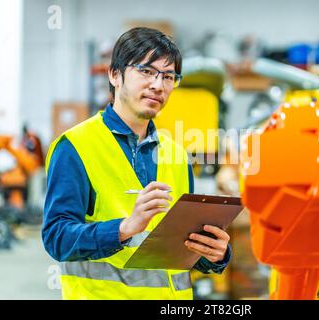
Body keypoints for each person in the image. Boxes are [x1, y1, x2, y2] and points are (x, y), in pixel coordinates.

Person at [42, 27, 232, 300]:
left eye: (168, 76)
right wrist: (123, 229)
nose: (158, 85)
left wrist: (215, 253)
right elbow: (57, 237)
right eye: (146, 71)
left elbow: (181, 246)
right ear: (115, 75)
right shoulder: (75, 147)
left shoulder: (177, 155)